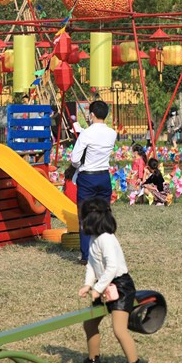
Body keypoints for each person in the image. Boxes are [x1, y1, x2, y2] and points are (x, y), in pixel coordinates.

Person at [77, 198, 149, 363]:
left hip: (120, 287)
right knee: (89, 325)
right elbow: (92, 264)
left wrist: (98, 288)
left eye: (83, 218)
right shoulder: (94, 238)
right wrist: (88, 285)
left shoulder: (106, 239)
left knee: (119, 329)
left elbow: (112, 267)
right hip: (104, 286)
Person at [71, 100, 117, 265]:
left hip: (88, 178)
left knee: (85, 217)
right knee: (103, 216)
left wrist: (80, 165)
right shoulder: (112, 133)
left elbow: (74, 159)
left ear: (91, 115)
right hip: (104, 177)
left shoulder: (87, 133)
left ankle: (87, 256)